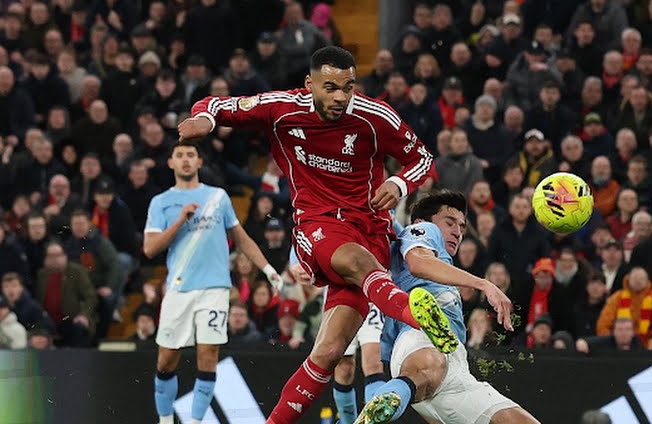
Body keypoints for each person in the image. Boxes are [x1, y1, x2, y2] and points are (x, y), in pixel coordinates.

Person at [178, 46, 455, 424]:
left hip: (370, 228)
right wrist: (205, 121)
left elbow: (421, 158)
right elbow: (214, 104)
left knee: (329, 352)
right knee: (359, 263)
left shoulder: (375, 117)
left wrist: (398, 183)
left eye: (348, 87)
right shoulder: (281, 109)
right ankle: (420, 316)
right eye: (331, 87)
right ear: (309, 85)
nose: (341, 97)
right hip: (317, 223)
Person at [355, 191, 531, 424]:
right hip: (422, 334)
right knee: (429, 367)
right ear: (421, 222)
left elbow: (389, 225)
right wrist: (484, 284)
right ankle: (394, 394)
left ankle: (393, 395)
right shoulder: (423, 231)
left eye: (462, 226)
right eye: (450, 222)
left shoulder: (421, 254)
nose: (458, 232)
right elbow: (418, 262)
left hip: (455, 369)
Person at [144, 142, 281, 424]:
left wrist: (267, 268)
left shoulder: (218, 197)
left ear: (199, 162)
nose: (185, 160)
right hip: (179, 289)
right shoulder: (161, 202)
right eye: (180, 155)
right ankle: (165, 420)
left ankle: (195, 422)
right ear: (171, 163)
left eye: (190, 155)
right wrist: (180, 221)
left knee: (208, 354)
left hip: (215, 289)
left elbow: (241, 238)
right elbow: (150, 249)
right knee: (166, 360)